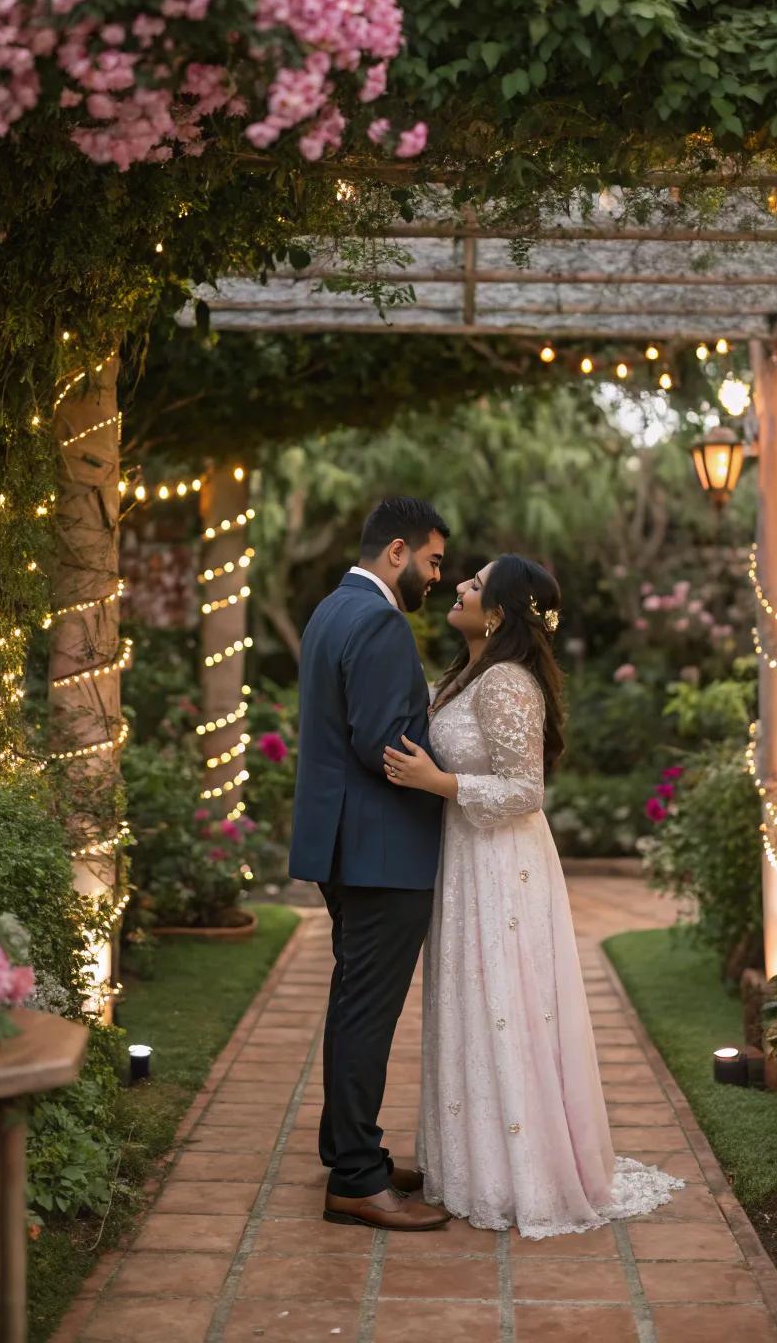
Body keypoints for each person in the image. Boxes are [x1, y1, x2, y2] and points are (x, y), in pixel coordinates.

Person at [384, 554, 683, 1237]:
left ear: (497, 613)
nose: (458, 586)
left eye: (476, 586)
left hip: (503, 868)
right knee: (471, 1002)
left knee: (503, 1004)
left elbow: (526, 790)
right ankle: (469, 1166)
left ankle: (520, 1172)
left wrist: (443, 785)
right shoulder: (469, 676)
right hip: (467, 860)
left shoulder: (507, 683)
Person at [289, 496, 453, 1232]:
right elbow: (386, 745)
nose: (438, 577)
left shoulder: (331, 609)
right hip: (383, 850)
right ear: (397, 552)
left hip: (343, 842)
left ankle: (350, 1149)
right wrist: (464, 768)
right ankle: (355, 1176)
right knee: (367, 1011)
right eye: (433, 561)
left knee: (353, 999)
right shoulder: (382, 621)